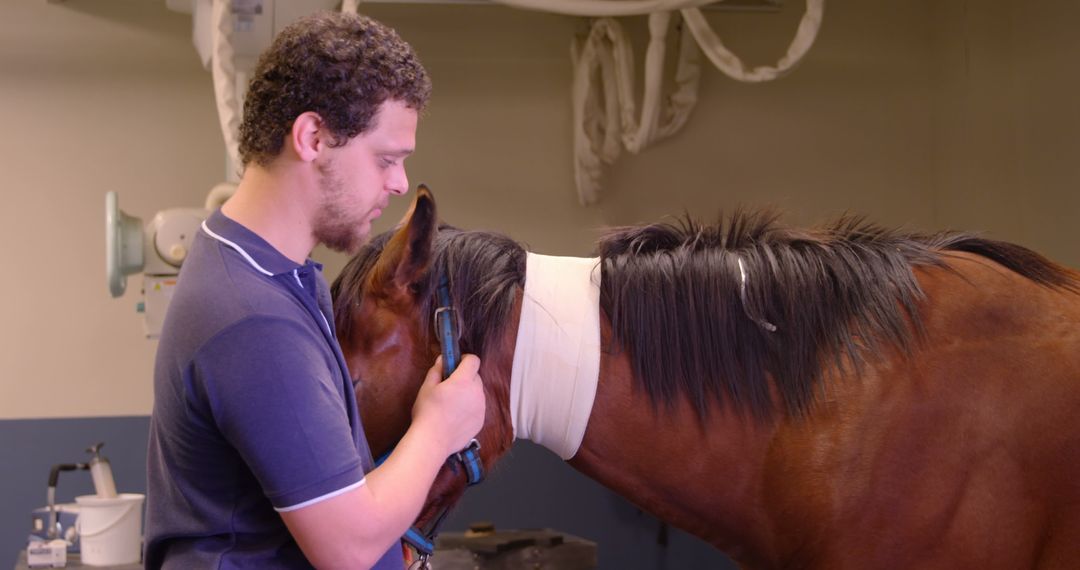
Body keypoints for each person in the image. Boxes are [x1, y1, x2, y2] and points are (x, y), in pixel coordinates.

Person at [145, 11, 486, 569]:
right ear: (312, 137)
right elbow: (347, 547)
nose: (400, 182)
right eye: (385, 159)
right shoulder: (252, 317)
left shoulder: (272, 276)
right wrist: (439, 426)